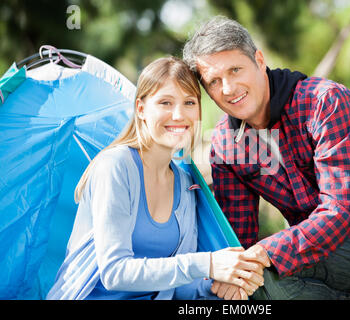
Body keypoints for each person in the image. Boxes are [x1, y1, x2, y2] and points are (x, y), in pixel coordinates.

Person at [182, 16, 350, 300]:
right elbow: (238, 238)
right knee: (251, 281)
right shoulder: (226, 145)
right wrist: (236, 275)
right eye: (214, 81)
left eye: (235, 70)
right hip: (325, 256)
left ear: (259, 61)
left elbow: (340, 213)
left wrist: (267, 251)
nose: (228, 88)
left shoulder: (324, 102)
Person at [46, 56, 267, 300]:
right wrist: (209, 263)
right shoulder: (116, 166)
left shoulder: (184, 184)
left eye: (189, 103)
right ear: (141, 109)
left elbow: (178, 285)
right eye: (165, 102)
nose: (179, 115)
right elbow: (114, 272)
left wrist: (215, 286)